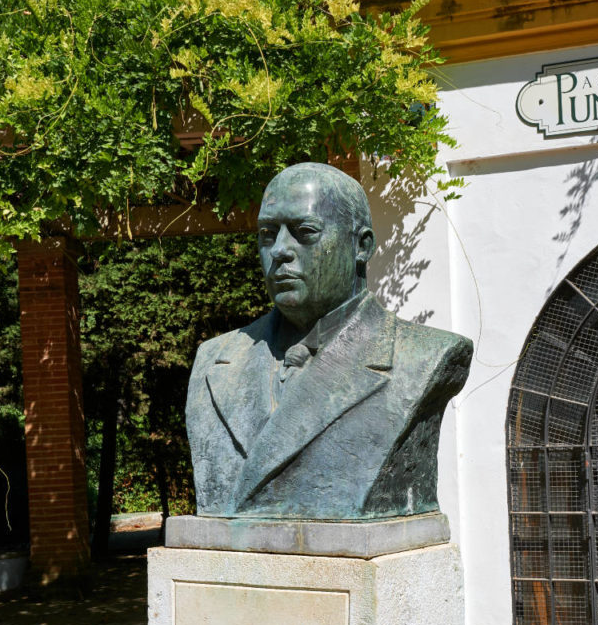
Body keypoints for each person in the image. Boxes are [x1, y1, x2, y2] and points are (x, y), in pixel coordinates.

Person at [186, 162, 472, 519]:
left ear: (362, 246)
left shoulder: (424, 357)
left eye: (304, 231)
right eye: (267, 234)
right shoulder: (214, 361)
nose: (279, 250)